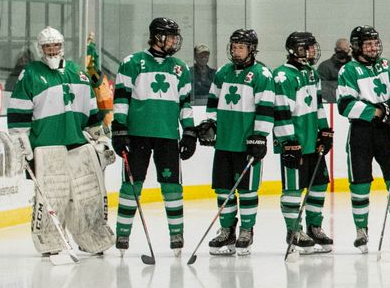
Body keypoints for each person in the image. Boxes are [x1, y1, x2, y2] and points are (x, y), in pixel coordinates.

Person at [4, 27, 115, 259]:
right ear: (41, 48)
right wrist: (21, 144)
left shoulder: (78, 73)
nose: (52, 50)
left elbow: (92, 112)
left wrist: (100, 138)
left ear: (62, 46)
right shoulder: (31, 74)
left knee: (89, 196)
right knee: (53, 196)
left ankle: (92, 237)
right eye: (47, 46)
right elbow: (18, 114)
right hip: (46, 146)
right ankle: (50, 239)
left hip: (77, 144)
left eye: (55, 45)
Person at [112, 17, 197, 257]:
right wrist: (119, 128)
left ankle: (177, 235)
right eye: (170, 37)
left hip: (167, 135)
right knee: (132, 185)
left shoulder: (180, 68)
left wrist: (189, 131)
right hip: (137, 135)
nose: (174, 41)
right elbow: (121, 98)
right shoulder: (132, 63)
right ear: (158, 37)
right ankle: (122, 234)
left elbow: (185, 103)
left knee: (172, 187)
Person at [193, 29, 274, 256]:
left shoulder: (262, 74)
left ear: (252, 49)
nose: (236, 51)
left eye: (241, 47)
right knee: (223, 189)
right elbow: (213, 102)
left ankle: (246, 230)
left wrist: (260, 136)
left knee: (247, 190)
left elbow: (266, 109)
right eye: (234, 47)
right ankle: (227, 230)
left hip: (247, 143)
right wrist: (211, 123)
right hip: (224, 143)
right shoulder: (223, 73)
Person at [337, 26, 390, 253]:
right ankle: (361, 231)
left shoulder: (388, 66)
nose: (373, 48)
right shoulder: (348, 70)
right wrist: (377, 111)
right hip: (362, 131)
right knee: (360, 183)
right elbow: (345, 105)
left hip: (388, 131)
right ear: (356, 46)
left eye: (375, 43)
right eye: (368, 44)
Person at [271, 31, 334, 254]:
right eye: (305, 48)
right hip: (295, 143)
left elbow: (318, 105)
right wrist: (288, 141)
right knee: (293, 188)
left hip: (312, 141)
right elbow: (280, 112)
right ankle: (293, 230)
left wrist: (324, 130)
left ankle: (314, 227)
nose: (311, 52)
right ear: (293, 51)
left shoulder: (311, 73)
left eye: (311, 47)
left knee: (319, 184)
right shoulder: (282, 76)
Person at [317, 38, 350, 103]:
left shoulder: (352, 67)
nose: (342, 51)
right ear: (335, 49)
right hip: (331, 103)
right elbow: (321, 88)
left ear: (349, 50)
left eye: (345, 49)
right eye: (340, 48)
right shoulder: (325, 66)